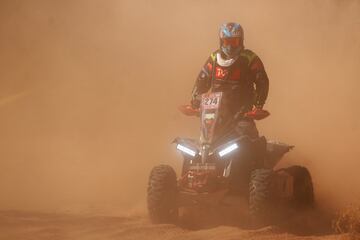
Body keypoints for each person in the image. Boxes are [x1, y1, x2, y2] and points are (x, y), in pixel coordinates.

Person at [191, 22, 269, 139]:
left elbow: (262, 82)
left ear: (241, 41)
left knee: (247, 137)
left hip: (241, 114)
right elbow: (201, 80)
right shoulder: (214, 58)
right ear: (221, 42)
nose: (230, 46)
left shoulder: (249, 58)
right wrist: (195, 100)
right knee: (202, 139)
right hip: (215, 114)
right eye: (227, 42)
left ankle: (259, 155)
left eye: (234, 42)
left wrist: (258, 106)